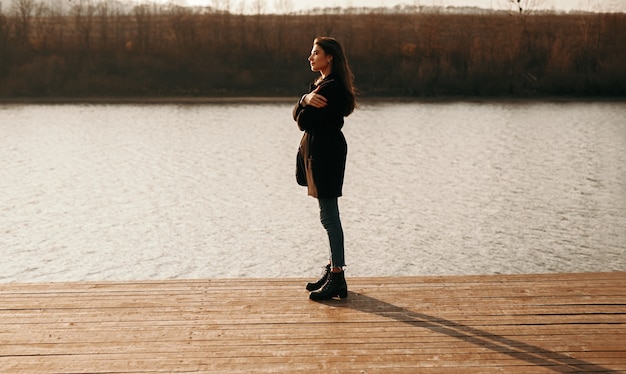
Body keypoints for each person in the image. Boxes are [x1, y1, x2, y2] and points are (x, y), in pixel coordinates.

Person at [292, 37, 357, 301]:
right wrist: (304, 99)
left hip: (326, 154)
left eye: (315, 53)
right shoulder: (320, 86)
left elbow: (302, 120)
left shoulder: (331, 88)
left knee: (329, 217)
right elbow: (300, 114)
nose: (310, 57)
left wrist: (303, 104)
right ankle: (334, 270)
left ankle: (337, 275)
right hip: (321, 152)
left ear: (329, 57)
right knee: (328, 216)